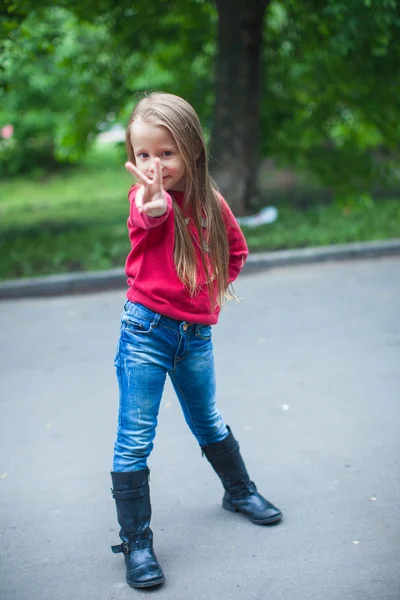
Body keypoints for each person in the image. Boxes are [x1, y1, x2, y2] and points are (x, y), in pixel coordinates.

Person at [110, 92, 282, 589]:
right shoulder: (144, 199)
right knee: (135, 438)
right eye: (143, 155)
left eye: (166, 153)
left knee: (207, 418)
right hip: (145, 332)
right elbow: (149, 216)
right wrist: (154, 204)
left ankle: (240, 491)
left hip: (196, 336)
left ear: (191, 149)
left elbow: (236, 250)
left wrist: (209, 297)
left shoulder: (211, 200)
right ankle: (136, 541)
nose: (154, 165)